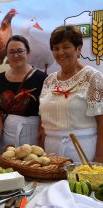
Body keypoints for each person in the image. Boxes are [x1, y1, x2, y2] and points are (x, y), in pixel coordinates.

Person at [39, 25, 103, 162]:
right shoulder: (49, 81)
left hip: (82, 150)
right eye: (56, 48)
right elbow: (43, 122)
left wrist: (100, 158)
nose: (60, 52)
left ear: (78, 49)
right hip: (50, 152)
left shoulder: (93, 77)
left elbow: (102, 121)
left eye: (66, 47)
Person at [0, 35, 47, 153]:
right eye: (11, 52)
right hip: (6, 139)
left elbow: (46, 113)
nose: (16, 55)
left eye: (20, 51)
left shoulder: (42, 79)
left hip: (33, 139)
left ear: (28, 52)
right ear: (7, 55)